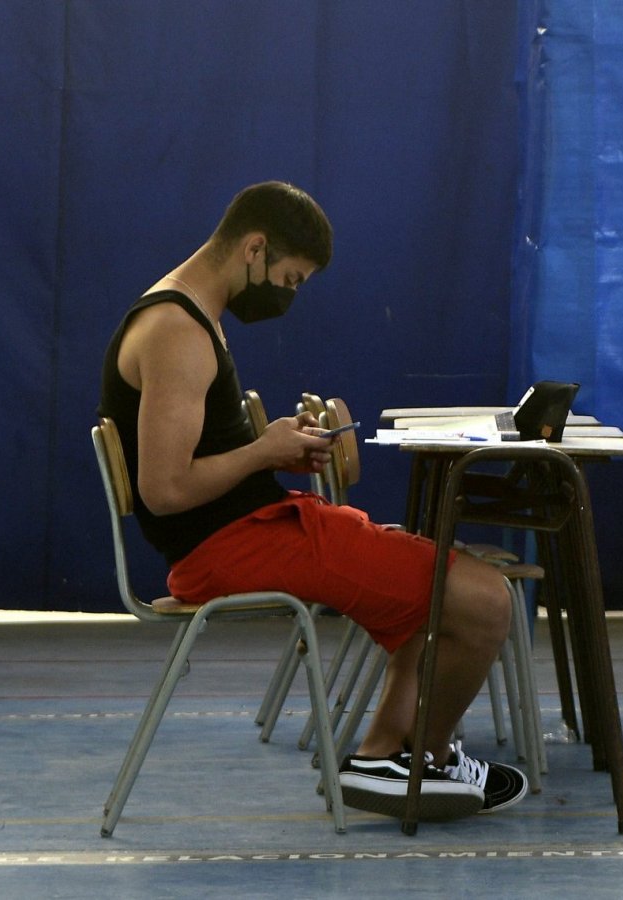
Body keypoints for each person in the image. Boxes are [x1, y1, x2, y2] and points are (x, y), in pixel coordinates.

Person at [98, 181, 524, 822]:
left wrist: (279, 453)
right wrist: (263, 452)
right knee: (487, 600)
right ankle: (419, 761)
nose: (288, 295)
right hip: (226, 549)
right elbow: (166, 489)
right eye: (290, 279)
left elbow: (202, 462)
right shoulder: (175, 330)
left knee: (432, 575)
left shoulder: (194, 315)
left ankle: (390, 754)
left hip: (249, 528)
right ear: (255, 248)